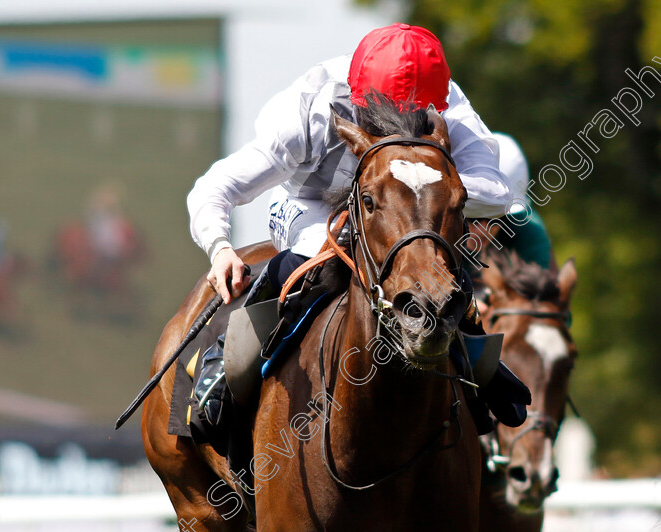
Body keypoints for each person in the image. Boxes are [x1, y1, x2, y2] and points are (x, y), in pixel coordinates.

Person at [187, 23, 548, 432]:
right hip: (310, 205)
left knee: (438, 258)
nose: (398, 127)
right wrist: (219, 246)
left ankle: (473, 355)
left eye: (412, 116)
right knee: (321, 247)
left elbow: (498, 193)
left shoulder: (448, 100)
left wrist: (418, 185)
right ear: (357, 94)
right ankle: (224, 360)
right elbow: (216, 186)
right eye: (384, 116)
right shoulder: (310, 106)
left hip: (399, 213)